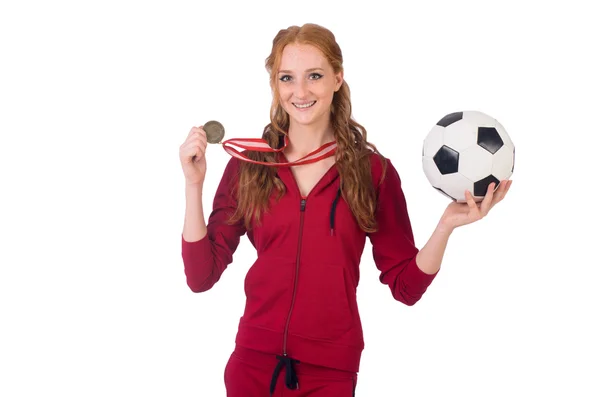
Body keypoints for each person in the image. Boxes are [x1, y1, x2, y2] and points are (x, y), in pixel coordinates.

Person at [179, 23, 512, 397]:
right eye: (287, 78)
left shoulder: (373, 172)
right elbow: (200, 275)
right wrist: (194, 185)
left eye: (315, 76)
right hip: (251, 366)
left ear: (337, 78)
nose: (300, 91)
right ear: (275, 83)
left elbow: (405, 286)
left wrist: (446, 226)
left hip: (330, 373)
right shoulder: (250, 165)